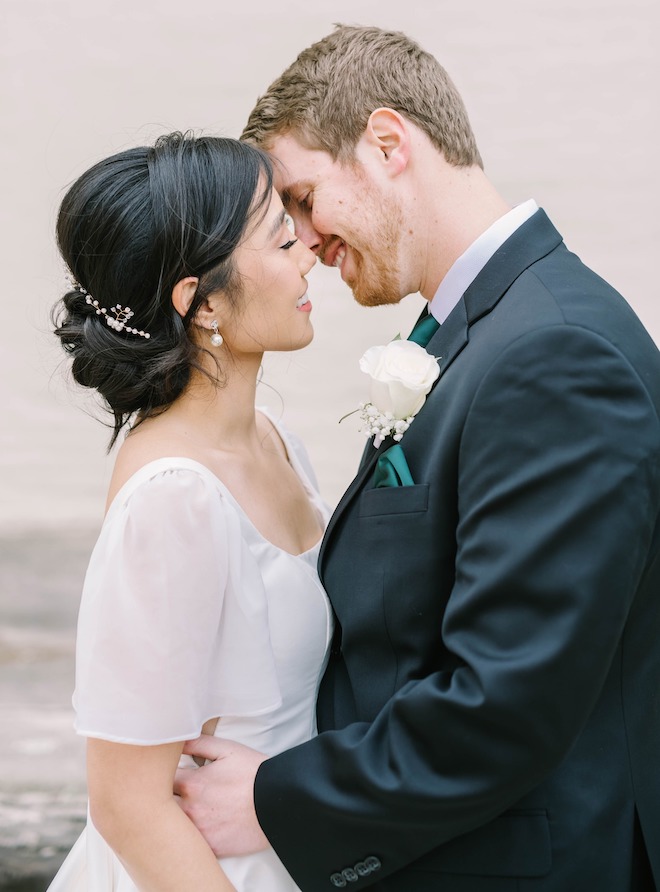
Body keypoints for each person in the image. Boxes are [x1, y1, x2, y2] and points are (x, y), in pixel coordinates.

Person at [174, 25, 660, 892]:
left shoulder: (555, 352)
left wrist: (280, 800)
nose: (303, 239)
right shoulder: (485, 328)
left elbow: (506, 702)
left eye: (302, 197)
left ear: (388, 144)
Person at [46, 132, 332, 892]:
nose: (309, 247)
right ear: (200, 302)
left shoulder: (273, 442)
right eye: (280, 237)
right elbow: (128, 806)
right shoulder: (173, 501)